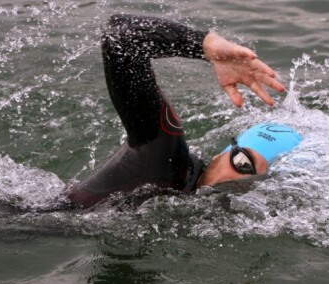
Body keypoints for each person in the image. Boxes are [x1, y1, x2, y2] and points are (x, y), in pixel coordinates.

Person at [67, 14, 302, 208]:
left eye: (259, 183)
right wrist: (205, 45)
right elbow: (121, 37)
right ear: (221, 155)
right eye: (243, 163)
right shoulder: (163, 158)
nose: (240, 181)